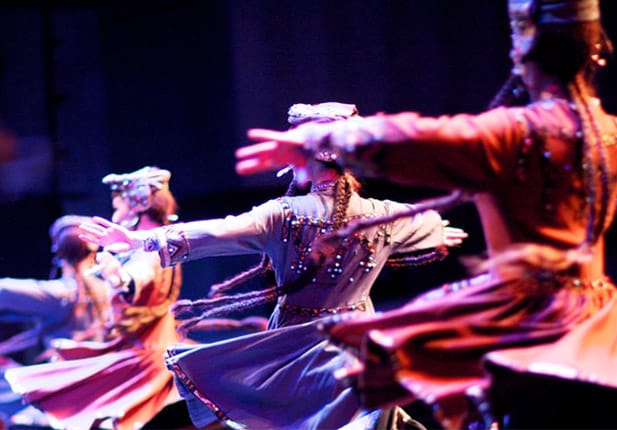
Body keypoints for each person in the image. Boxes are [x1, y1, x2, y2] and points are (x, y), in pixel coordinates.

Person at [233, 1, 617, 428]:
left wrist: (319, 140)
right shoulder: (613, 139)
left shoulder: (512, 135)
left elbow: (417, 138)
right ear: (594, 51)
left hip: (525, 327)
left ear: (524, 48)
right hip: (605, 330)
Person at [78, 102, 468, 430]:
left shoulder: (284, 214)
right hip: (358, 343)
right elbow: (429, 223)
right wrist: (435, 231)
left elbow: (219, 231)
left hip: (294, 346)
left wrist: (137, 241)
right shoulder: (384, 214)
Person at [5, 166, 186, 430]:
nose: (116, 216)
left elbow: (141, 272)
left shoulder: (62, 292)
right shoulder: (103, 280)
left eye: (117, 208)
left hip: (131, 363)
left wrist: (121, 278)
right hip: (133, 355)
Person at [1, 215, 111, 428]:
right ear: (94, 251)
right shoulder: (109, 290)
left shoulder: (61, 294)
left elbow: (3, 290)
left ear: (57, 250)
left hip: (66, 392)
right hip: (102, 389)